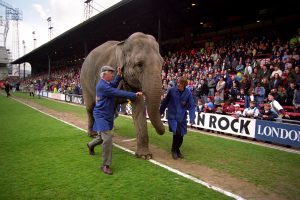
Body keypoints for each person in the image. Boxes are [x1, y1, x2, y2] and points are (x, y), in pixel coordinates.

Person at [86, 66, 143, 175]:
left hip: (106, 115)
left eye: (113, 73)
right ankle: (105, 165)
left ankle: (91, 145)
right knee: (107, 139)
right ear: (104, 74)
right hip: (101, 116)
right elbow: (117, 92)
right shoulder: (103, 86)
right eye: (110, 73)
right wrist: (134, 95)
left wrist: (118, 75)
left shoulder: (105, 84)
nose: (112, 75)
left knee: (101, 137)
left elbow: (113, 85)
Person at [160, 77, 196, 160]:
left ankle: (178, 149)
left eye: (180, 83)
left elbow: (191, 106)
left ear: (184, 84)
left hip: (182, 117)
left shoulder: (188, 93)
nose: (178, 84)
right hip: (173, 116)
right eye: (178, 83)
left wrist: (192, 118)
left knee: (181, 135)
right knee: (176, 133)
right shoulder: (172, 91)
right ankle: (174, 150)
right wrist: (160, 112)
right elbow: (165, 102)